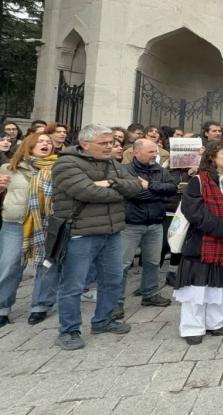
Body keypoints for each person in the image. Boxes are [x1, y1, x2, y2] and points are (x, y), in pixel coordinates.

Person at [52, 124, 144, 350]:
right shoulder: (66, 163)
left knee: (112, 280)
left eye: (111, 143)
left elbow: (137, 187)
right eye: (104, 143)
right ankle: (69, 330)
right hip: (80, 233)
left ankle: (103, 320)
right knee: (73, 285)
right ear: (85, 144)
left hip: (112, 232)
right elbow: (88, 192)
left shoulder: (112, 163)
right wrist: (119, 191)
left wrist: (112, 183)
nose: (110, 147)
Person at [174, 140, 223, 345]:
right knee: (196, 288)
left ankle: (216, 323)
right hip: (201, 242)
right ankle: (192, 327)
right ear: (211, 157)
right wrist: (220, 228)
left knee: (218, 286)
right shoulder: (198, 181)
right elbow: (193, 210)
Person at [0, 133, 61, 327]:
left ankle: (40, 306)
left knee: (46, 265)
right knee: (9, 265)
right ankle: (2, 307)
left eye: (48, 142)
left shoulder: (59, 169)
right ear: (29, 145)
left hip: (47, 224)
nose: (46, 144)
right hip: (15, 224)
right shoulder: (10, 168)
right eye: (40, 141)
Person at [115, 138, 176, 319]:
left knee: (153, 261)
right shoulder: (125, 171)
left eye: (155, 151)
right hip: (131, 224)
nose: (155, 154)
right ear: (136, 152)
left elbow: (172, 188)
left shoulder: (160, 170)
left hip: (155, 223)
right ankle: (115, 302)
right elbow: (133, 193)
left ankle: (150, 294)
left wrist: (150, 186)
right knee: (123, 265)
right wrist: (157, 193)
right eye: (150, 151)